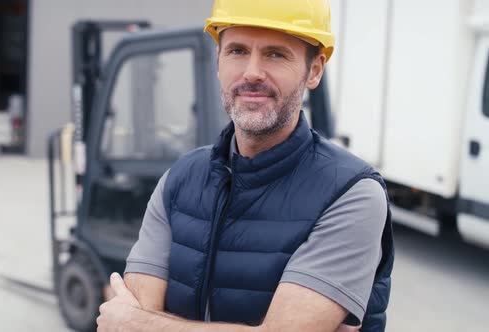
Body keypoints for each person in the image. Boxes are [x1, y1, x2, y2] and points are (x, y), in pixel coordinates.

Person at [96, 0, 394, 331]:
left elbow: (129, 321)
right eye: (237, 51)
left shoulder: (351, 194)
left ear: (314, 70)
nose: (251, 72)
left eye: (276, 54)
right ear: (219, 62)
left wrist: (139, 322)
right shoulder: (180, 179)